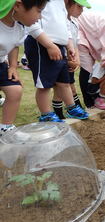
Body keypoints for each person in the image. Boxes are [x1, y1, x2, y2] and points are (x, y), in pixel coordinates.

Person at [25, 0, 89, 122]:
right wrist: (49, 45)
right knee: (44, 85)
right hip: (41, 44)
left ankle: (72, 108)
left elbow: (66, 26)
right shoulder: (44, 2)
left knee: (64, 82)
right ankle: (46, 114)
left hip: (58, 46)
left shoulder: (60, 4)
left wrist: (69, 45)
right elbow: (32, 22)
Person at [0, 0, 48, 135]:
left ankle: (5, 127)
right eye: (38, 11)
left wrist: (13, 66)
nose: (40, 17)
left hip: (1, 64)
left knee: (15, 90)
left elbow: (14, 46)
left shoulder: (19, 28)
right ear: (18, 5)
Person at [52, 0, 91, 119]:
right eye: (79, 6)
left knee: (69, 85)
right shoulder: (58, 20)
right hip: (60, 59)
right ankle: (61, 113)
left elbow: (75, 43)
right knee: (60, 88)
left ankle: (73, 108)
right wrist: (67, 60)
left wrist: (77, 60)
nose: (82, 10)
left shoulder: (75, 22)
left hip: (70, 60)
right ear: (67, 3)